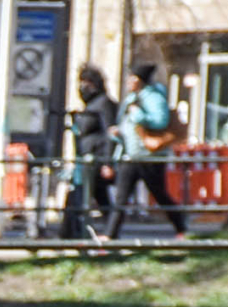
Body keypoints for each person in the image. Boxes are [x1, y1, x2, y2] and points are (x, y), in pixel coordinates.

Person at [110, 60, 190, 238]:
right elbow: (127, 124)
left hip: (149, 155)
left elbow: (160, 121)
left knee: (160, 194)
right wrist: (118, 133)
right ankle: (110, 235)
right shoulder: (132, 98)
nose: (129, 81)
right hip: (131, 154)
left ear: (139, 80)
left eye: (132, 78)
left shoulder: (153, 97)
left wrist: (139, 115)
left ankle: (181, 228)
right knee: (121, 197)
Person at [61, 64, 119, 238]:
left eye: (87, 83)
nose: (83, 87)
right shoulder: (91, 105)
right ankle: (106, 233)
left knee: (80, 197)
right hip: (85, 160)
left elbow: (110, 133)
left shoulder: (103, 104)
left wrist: (107, 162)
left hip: (95, 160)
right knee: (97, 200)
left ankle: (73, 235)